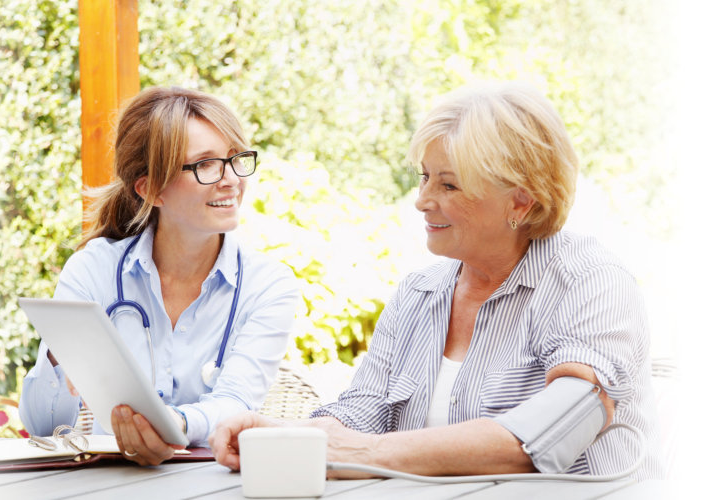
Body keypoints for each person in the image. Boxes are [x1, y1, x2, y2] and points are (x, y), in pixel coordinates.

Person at [209, 82, 659, 478]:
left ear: (519, 202)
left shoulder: (591, 281)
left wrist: (368, 453)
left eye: (448, 185)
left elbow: (556, 428)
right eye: (424, 177)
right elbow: (358, 413)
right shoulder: (419, 293)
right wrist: (285, 437)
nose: (422, 200)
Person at [19, 86, 303, 466]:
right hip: (110, 485)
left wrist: (175, 424)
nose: (232, 178)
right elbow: (42, 427)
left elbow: (236, 403)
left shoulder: (268, 286)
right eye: (206, 165)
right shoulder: (93, 271)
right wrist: (59, 354)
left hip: (213, 484)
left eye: (235, 158)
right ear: (151, 189)